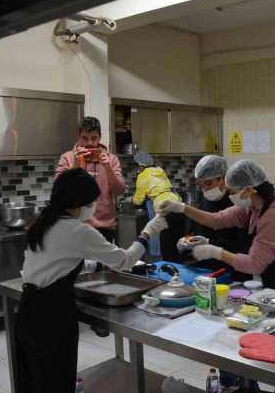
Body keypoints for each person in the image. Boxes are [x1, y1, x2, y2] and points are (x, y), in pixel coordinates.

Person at [15, 168, 167, 393]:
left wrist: (94, 264)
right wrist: (147, 232)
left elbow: (57, 261)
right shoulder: (76, 230)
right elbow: (124, 261)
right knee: (56, 383)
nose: (94, 206)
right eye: (92, 201)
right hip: (51, 320)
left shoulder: (43, 222)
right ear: (77, 203)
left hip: (28, 313)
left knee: (34, 383)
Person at [158, 159, 275, 293]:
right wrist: (182, 208)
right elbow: (216, 219)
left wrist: (215, 251)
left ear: (249, 189)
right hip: (271, 275)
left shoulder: (273, 216)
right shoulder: (251, 208)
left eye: (232, 191)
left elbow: (254, 264)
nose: (230, 196)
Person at [55, 116, 125, 243]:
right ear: (79, 136)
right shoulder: (67, 158)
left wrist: (108, 168)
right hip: (74, 227)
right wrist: (75, 166)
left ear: (100, 137)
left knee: (105, 263)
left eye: (94, 138)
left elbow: (119, 191)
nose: (89, 144)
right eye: (85, 138)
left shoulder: (112, 159)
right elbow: (58, 192)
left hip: (106, 227)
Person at [190, 155, 252, 282]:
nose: (205, 189)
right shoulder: (205, 199)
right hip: (207, 270)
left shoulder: (237, 201)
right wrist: (188, 241)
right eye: (201, 185)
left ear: (224, 177)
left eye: (208, 183)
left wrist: (210, 243)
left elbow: (245, 246)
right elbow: (199, 229)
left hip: (233, 272)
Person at [131, 151, 184, 261]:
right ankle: (177, 264)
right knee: (176, 240)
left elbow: (138, 200)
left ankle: (161, 263)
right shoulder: (160, 170)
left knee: (163, 240)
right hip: (177, 203)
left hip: (162, 206)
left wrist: (131, 200)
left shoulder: (142, 176)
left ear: (141, 165)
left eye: (137, 166)